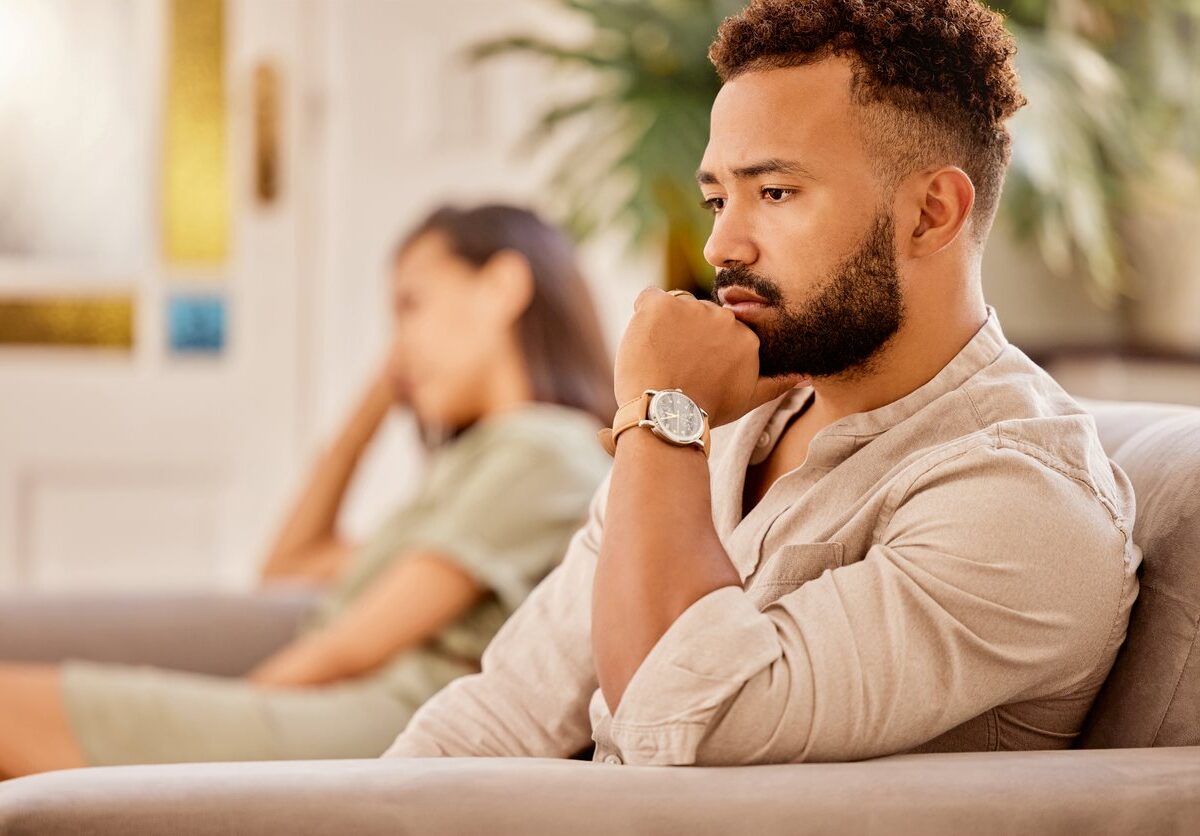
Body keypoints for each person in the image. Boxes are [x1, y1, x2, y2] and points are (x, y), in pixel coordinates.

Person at [383, 0, 1140, 766]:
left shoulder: (1022, 498)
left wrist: (663, 418)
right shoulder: (723, 419)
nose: (720, 244)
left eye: (774, 193)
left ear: (930, 213)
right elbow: (501, 714)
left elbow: (677, 728)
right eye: (718, 198)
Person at [0, 204, 614, 777]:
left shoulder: (545, 449)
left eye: (410, 304)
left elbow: (353, 646)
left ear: (502, 287)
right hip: (360, 704)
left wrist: (226, 715)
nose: (396, 346)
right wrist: (373, 405)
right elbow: (288, 572)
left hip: (394, 726)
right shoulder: (486, 459)